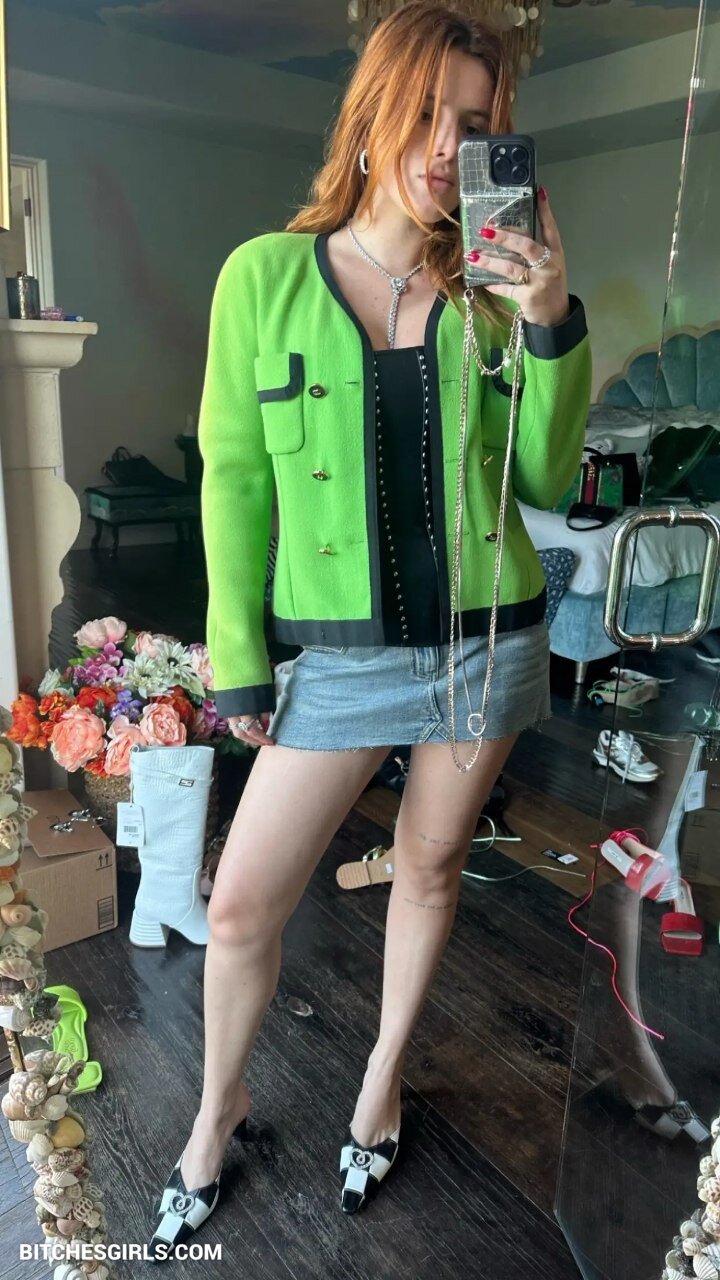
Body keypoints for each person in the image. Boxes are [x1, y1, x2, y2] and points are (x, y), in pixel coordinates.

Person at [149, 1, 591, 1256]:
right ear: (372, 112)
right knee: (243, 905)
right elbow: (235, 481)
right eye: (430, 113)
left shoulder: (495, 292)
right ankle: (216, 1108)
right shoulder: (265, 276)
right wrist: (240, 662)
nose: (451, 147)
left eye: (478, 123)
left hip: (487, 638)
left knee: (432, 867)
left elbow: (545, 478)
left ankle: (382, 1081)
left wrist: (552, 317)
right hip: (337, 653)